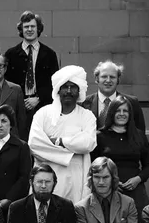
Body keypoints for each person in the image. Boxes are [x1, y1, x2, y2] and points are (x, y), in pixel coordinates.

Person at [28, 65, 97, 203]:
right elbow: (35, 145)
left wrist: (59, 141)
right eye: (65, 86)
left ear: (79, 91)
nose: (69, 91)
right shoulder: (43, 113)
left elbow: (88, 143)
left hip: (76, 178)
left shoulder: (87, 116)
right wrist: (72, 151)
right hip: (45, 179)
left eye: (73, 87)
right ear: (58, 89)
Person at [91, 95, 149, 219]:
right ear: (111, 113)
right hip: (108, 191)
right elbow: (91, 166)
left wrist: (138, 179)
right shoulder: (99, 136)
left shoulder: (139, 135)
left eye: (125, 111)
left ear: (130, 114)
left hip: (135, 191)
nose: (121, 114)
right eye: (117, 111)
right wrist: (112, 182)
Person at [4, 11, 59, 128]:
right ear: (21, 29)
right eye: (26, 27)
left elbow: (55, 82)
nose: (29, 29)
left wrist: (38, 98)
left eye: (33, 26)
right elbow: (7, 82)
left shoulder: (49, 54)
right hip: (17, 107)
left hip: (43, 106)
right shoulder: (11, 54)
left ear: (38, 29)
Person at [83, 60, 146, 131]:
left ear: (118, 79)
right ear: (96, 79)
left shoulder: (131, 102)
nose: (108, 80)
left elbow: (140, 134)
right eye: (104, 76)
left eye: (112, 77)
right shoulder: (83, 103)